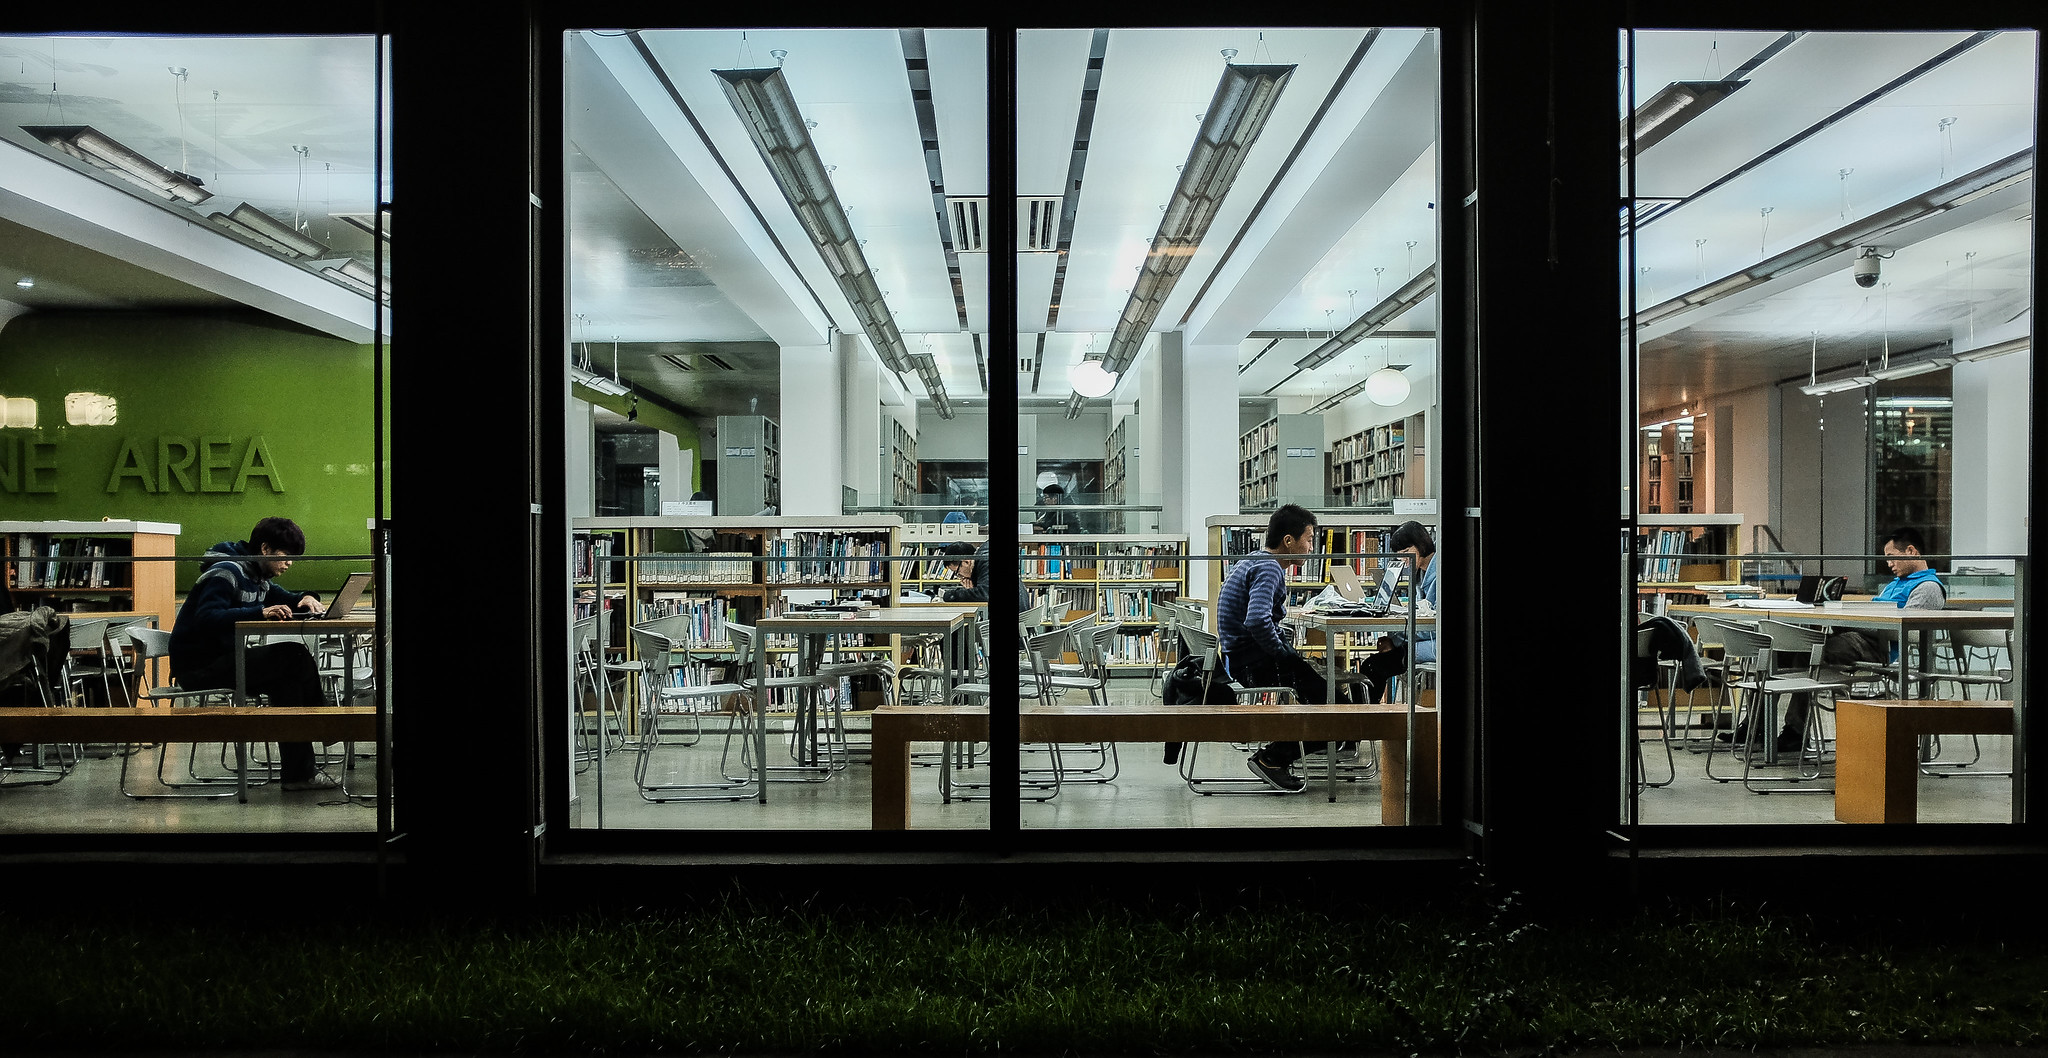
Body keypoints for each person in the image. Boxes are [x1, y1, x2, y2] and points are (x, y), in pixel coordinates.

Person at [167, 516, 338, 791]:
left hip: (224, 659)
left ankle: (298, 775)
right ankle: (327, 724)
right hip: (199, 665)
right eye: (285, 556)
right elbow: (206, 618)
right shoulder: (227, 572)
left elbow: (285, 596)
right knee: (294, 655)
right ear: (265, 549)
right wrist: (259, 612)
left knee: (288, 682)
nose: (289, 564)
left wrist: (304, 597)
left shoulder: (257, 577)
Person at [1764, 526, 1946, 752]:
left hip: (1876, 646)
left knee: (1808, 651)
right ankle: (1761, 728)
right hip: (1858, 635)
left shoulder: (1927, 587)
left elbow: (1905, 629)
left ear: (1911, 551)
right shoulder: (1894, 584)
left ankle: (1795, 730)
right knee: (1776, 649)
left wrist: (1851, 619)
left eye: (1891, 558)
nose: (1889, 564)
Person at [1219, 504, 1355, 792]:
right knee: (1342, 712)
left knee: (1326, 694)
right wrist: (1284, 654)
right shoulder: (1269, 568)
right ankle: (1272, 759)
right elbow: (1256, 619)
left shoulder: (1252, 561)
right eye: (1308, 539)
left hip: (1238, 658)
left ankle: (1282, 753)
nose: (1310, 548)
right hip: (1253, 662)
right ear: (1288, 541)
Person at [1355, 521, 1439, 701]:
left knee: (1373, 667)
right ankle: (1363, 716)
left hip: (1434, 646)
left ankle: (1362, 718)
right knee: (1372, 665)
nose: (1403, 560)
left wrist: (1396, 641)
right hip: (1419, 643)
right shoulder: (1421, 575)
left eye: (1405, 553)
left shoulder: (1439, 575)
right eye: (1399, 555)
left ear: (1421, 546)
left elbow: (1430, 627)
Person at [939, 540, 1031, 613]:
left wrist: (951, 595)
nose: (960, 577)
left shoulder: (986, 562)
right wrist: (973, 590)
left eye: (957, 572)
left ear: (966, 562)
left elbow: (985, 595)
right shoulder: (984, 558)